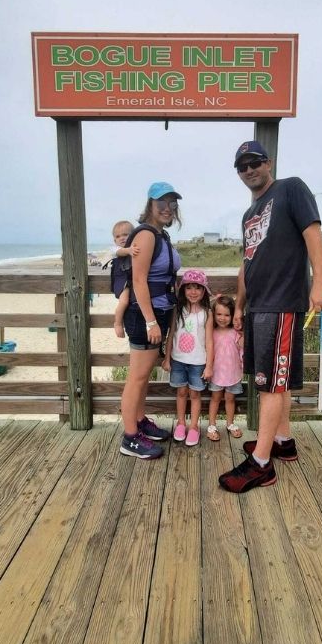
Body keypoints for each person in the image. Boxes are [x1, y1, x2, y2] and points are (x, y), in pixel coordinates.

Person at [218, 141, 322, 493]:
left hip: (282, 302)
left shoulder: (291, 189)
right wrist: (239, 305)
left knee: (269, 384)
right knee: (274, 380)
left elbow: (313, 234)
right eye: (242, 166)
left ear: (268, 163)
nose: (249, 170)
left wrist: (321, 283)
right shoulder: (248, 213)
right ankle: (283, 441)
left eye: (254, 162)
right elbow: (246, 262)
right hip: (258, 305)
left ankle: (261, 464)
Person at [120, 182, 182, 459]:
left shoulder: (161, 235)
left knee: (144, 376)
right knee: (137, 377)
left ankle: (141, 421)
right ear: (150, 205)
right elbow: (138, 280)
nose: (168, 208)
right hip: (146, 314)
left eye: (172, 203)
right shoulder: (146, 235)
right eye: (162, 203)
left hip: (159, 311)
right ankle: (130, 437)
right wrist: (150, 322)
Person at [162, 269, 213, 447]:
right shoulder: (178, 310)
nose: (193, 292)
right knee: (181, 392)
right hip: (178, 360)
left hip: (198, 362)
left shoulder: (207, 313)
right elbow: (171, 335)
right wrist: (167, 358)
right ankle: (181, 423)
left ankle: (193, 427)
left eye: (197, 288)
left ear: (204, 290)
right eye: (189, 288)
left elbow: (209, 342)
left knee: (195, 394)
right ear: (183, 290)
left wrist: (209, 366)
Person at [206, 294, 244, 441]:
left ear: (233, 315)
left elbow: (241, 347)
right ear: (213, 314)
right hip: (216, 373)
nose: (222, 318)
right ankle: (212, 425)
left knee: (230, 399)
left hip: (233, 373)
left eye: (227, 315)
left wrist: (243, 333)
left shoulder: (235, 332)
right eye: (219, 314)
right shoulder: (211, 332)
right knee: (215, 398)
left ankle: (230, 423)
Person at [105, 220, 140, 337]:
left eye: (125, 234)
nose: (122, 238)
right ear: (114, 240)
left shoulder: (136, 247)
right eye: (118, 236)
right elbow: (121, 252)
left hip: (133, 279)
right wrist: (129, 250)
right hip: (122, 279)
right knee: (124, 300)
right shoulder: (115, 250)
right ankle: (118, 323)